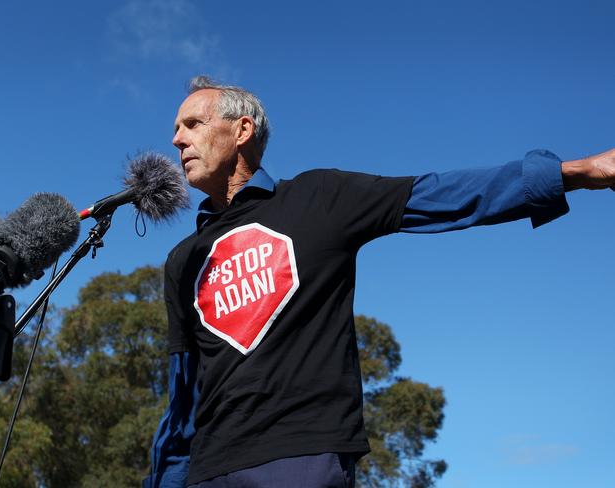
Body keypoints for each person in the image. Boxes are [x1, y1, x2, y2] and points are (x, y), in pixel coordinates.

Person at [142, 76, 615, 488]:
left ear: (242, 129)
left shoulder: (319, 197)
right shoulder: (183, 260)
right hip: (208, 471)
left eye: (193, 124)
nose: (177, 140)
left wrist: (574, 172)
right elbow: (181, 398)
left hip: (298, 456)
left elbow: (442, 195)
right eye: (176, 130)